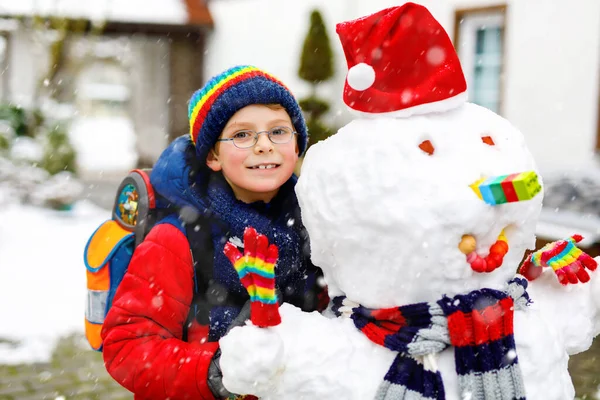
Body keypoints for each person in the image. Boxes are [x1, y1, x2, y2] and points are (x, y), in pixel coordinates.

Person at [101, 65, 326, 400]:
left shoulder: (318, 223)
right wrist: (216, 370)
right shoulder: (177, 238)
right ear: (212, 156)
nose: (264, 145)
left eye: (279, 131)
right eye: (242, 135)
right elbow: (128, 347)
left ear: (297, 145)